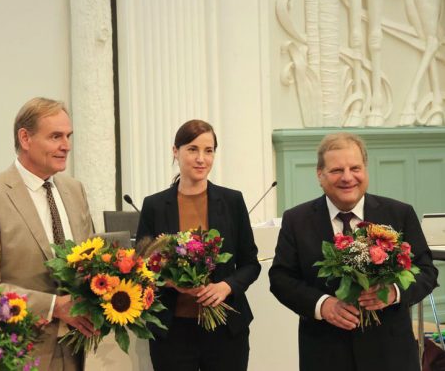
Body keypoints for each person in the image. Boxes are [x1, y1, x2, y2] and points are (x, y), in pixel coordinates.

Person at [269, 132, 438, 371]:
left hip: (390, 353)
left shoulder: (399, 214)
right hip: (325, 354)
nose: (348, 177)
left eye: (355, 168)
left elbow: (427, 271)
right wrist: (322, 305)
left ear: (365, 170)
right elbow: (280, 279)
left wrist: (394, 292)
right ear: (320, 174)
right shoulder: (297, 220)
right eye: (337, 170)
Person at [0, 97, 95, 371]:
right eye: (55, 136)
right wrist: (53, 305)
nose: (66, 145)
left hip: (83, 352)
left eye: (68, 136)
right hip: (22, 354)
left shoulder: (75, 190)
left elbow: (91, 262)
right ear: (25, 138)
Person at [136, 119, 261, 371]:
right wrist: (171, 281)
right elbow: (140, 267)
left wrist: (226, 286)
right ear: (175, 151)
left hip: (225, 329)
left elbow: (250, 264)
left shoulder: (232, 201)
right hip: (172, 331)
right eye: (192, 149)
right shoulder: (155, 205)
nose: (201, 159)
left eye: (208, 150)